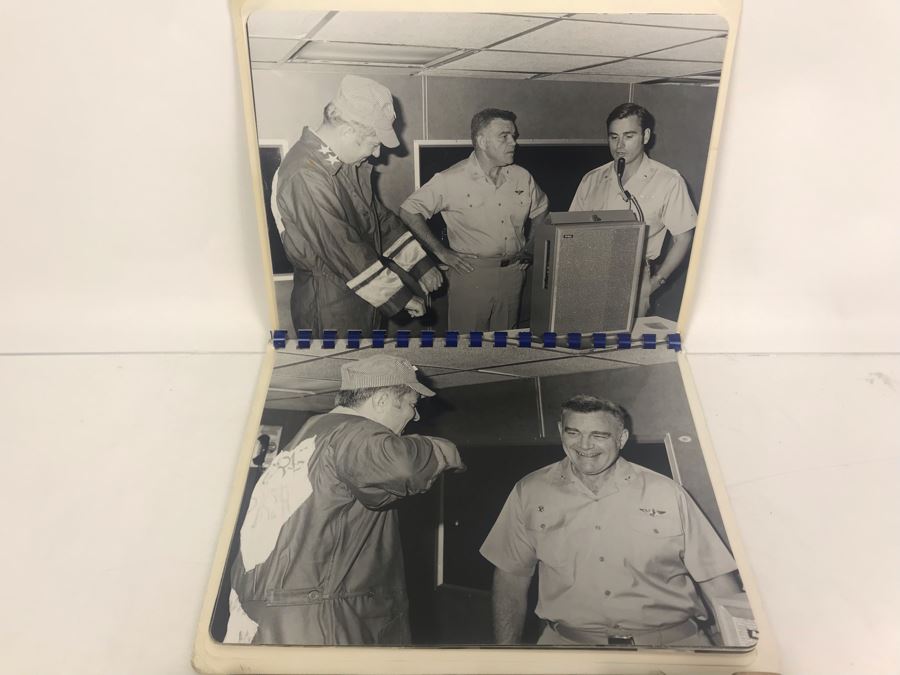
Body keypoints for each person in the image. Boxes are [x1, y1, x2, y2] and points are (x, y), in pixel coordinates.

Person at [226, 355, 464, 645]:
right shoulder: (356, 433)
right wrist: (442, 450)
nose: (414, 418)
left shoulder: (311, 432)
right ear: (382, 400)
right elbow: (404, 467)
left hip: (269, 612)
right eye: (412, 405)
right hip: (321, 619)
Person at [480, 395, 748, 647]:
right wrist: (507, 654)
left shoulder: (667, 493)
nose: (584, 446)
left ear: (621, 438)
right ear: (560, 430)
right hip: (569, 649)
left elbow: (716, 582)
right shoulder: (529, 491)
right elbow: (510, 578)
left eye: (599, 435)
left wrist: (743, 653)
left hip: (672, 647)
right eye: (573, 432)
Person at [271, 75, 443, 335]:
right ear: (347, 131)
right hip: (330, 304)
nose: (376, 154)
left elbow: (378, 219)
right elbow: (341, 244)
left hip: (360, 289)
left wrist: (420, 265)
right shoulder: (305, 174)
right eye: (374, 143)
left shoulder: (344, 165)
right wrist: (400, 297)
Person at [399, 108, 549, 331]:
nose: (514, 142)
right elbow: (409, 210)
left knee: (506, 347)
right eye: (504, 136)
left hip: (513, 274)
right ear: (482, 141)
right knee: (467, 348)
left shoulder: (522, 177)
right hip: (471, 275)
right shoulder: (451, 179)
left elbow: (541, 210)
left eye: (514, 136)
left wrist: (529, 247)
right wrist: (442, 252)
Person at [570, 103, 696, 317]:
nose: (619, 145)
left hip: (634, 278)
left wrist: (654, 284)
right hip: (588, 274)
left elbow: (684, 238)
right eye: (613, 137)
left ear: (645, 136)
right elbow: (571, 231)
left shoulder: (668, 181)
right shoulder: (592, 179)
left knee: (625, 346)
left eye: (628, 136)